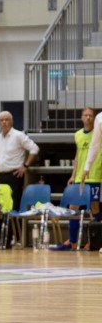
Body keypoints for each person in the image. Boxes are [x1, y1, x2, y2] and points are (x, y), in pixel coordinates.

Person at [53, 106, 102, 250]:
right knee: (73, 206)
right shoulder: (78, 135)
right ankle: (72, 241)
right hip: (81, 176)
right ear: (81, 117)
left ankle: (94, 240)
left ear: (94, 118)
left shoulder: (99, 130)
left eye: (90, 115)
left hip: (95, 175)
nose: (88, 117)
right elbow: (77, 156)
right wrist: (73, 175)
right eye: (85, 115)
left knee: (94, 207)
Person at [0, 111, 39, 211]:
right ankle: (1, 227)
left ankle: (13, 227)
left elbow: (34, 149)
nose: (4, 122)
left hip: (15, 175)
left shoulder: (18, 135)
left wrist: (25, 166)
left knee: (14, 204)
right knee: (0, 204)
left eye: (6, 119)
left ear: (11, 121)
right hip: (0, 176)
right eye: (1, 120)